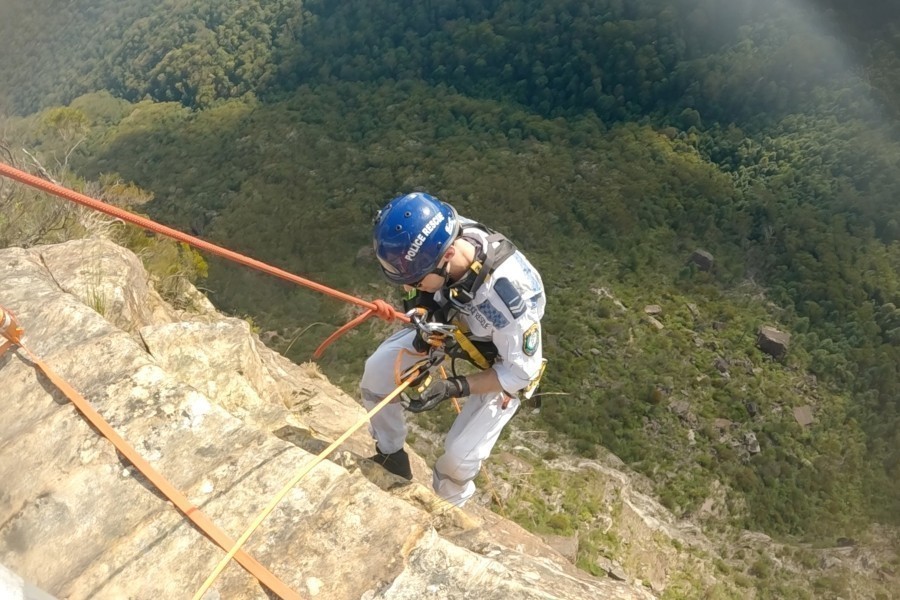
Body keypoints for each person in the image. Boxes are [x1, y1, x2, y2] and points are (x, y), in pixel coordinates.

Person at [360, 192, 546, 507]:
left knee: (458, 459)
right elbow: (420, 290)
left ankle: (451, 510)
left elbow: (520, 372)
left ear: (446, 257)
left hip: (503, 358)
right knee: (377, 375)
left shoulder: (507, 301)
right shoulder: (438, 233)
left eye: (418, 280)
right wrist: (424, 315)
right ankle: (391, 457)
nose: (412, 285)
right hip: (457, 324)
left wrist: (453, 387)